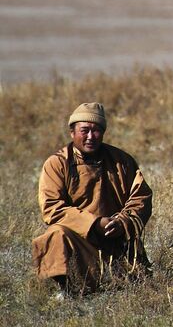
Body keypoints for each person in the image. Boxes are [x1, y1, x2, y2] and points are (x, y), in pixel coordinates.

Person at [33, 102, 152, 297]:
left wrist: (122, 222)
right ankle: (67, 289)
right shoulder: (57, 164)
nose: (90, 136)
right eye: (85, 130)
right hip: (79, 242)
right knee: (55, 234)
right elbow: (52, 208)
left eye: (96, 131)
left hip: (117, 243)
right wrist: (95, 223)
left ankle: (119, 276)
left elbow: (141, 197)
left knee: (131, 284)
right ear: (72, 133)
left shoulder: (121, 160)